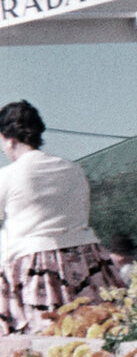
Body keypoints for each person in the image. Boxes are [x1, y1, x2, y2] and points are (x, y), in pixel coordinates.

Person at [0, 100, 124, 334]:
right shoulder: (73, 169)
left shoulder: (8, 175)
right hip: (85, 261)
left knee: (39, 341)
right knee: (94, 334)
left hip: (34, 267)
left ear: (8, 139)